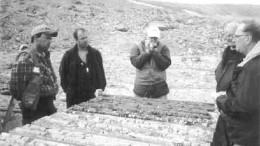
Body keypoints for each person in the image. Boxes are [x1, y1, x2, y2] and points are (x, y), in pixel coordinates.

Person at [216, 19, 260, 146]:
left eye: (236, 36)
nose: (233, 39)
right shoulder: (249, 59)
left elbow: (243, 105)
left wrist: (221, 99)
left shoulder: (253, 66)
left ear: (247, 39)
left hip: (246, 135)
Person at [9, 24, 59, 125]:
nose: (50, 41)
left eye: (51, 39)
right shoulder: (26, 58)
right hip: (34, 112)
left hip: (47, 106)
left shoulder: (43, 56)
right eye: (47, 38)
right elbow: (17, 90)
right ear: (36, 37)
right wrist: (29, 100)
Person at [212, 22, 245, 146]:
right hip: (226, 109)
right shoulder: (227, 54)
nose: (230, 38)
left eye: (233, 35)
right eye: (227, 35)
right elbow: (219, 76)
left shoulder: (246, 57)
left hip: (237, 111)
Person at [59, 28, 106, 108]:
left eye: (86, 37)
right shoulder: (69, 55)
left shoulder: (95, 54)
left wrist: (101, 88)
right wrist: (68, 91)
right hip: (74, 97)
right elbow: (63, 73)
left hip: (92, 96)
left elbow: (101, 73)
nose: (85, 40)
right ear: (76, 40)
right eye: (82, 38)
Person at [130, 26, 171, 99]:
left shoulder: (164, 47)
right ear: (146, 36)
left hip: (159, 85)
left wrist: (155, 53)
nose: (153, 40)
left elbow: (165, 64)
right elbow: (136, 63)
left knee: (163, 108)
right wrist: (148, 52)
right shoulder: (136, 47)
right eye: (151, 38)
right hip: (141, 85)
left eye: (155, 38)